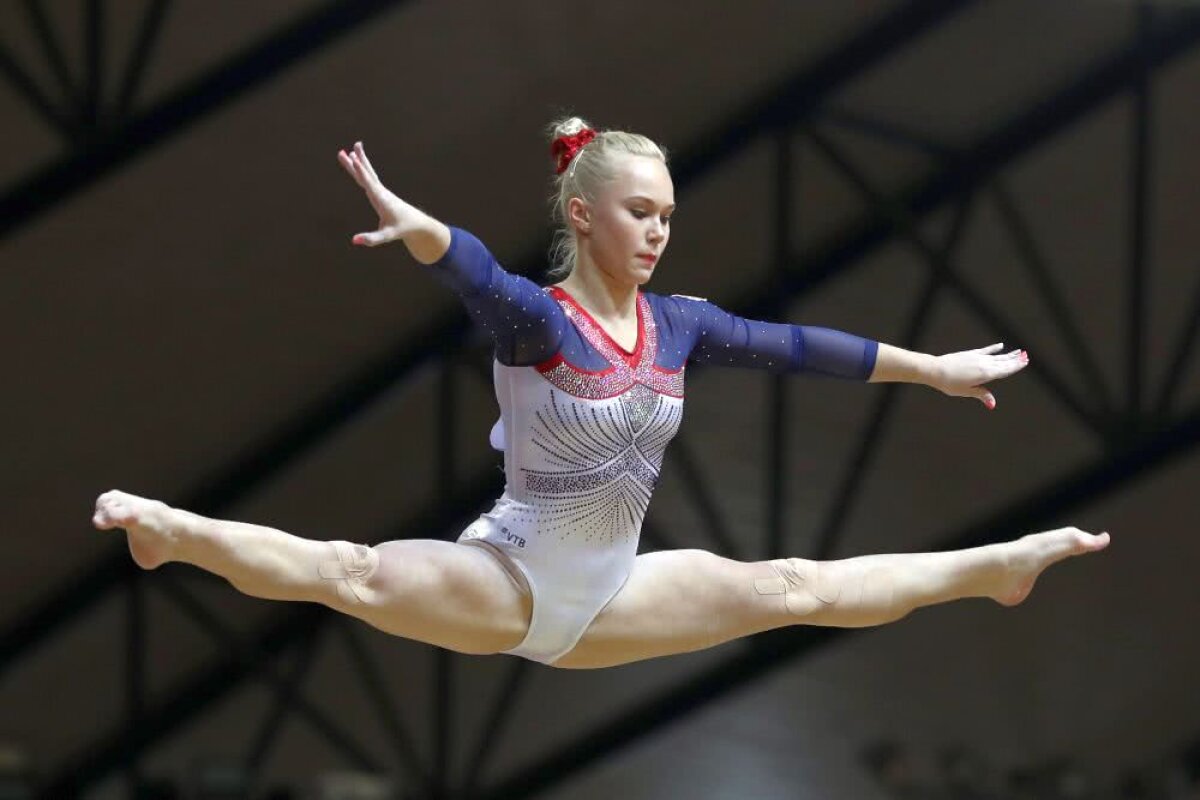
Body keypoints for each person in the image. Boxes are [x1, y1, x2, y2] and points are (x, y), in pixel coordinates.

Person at [93, 117, 1110, 670]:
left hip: (616, 596)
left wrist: (930, 369)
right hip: (512, 581)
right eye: (639, 211)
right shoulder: (539, 321)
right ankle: (171, 530)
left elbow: (797, 343)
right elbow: (479, 272)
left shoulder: (683, 324)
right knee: (353, 573)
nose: (659, 231)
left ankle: (996, 568)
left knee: (796, 585)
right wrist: (423, 232)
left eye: (667, 213)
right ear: (584, 216)